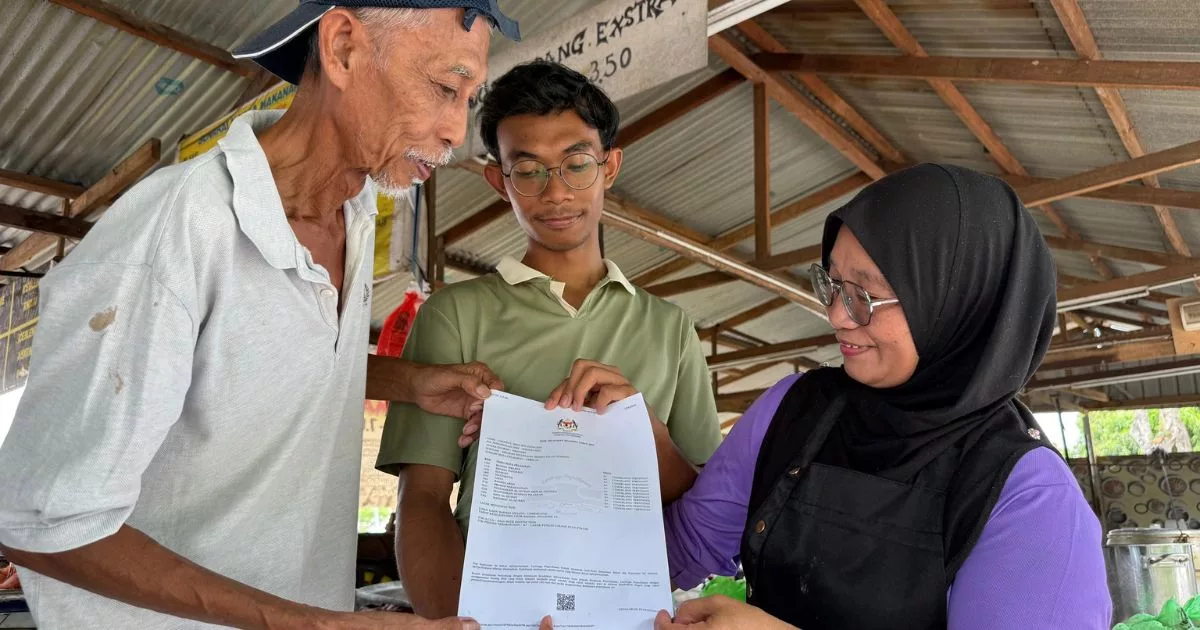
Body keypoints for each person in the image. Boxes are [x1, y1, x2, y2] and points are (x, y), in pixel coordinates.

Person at [0, 2, 520, 629]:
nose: (455, 131)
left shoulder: (353, 215)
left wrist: (406, 383)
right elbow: (38, 522)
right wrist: (312, 623)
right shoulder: (179, 231)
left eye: (468, 99)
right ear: (343, 48)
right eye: (444, 88)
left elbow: (259, 359)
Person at [648, 163, 1111, 629]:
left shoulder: (1028, 496)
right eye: (831, 284)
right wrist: (624, 444)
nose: (837, 315)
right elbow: (685, 552)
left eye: (864, 296)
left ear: (956, 305)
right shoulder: (793, 410)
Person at [376, 59, 722, 619]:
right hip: (493, 612)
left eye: (576, 164)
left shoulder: (670, 328)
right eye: (528, 169)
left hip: (633, 616)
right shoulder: (454, 317)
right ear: (499, 180)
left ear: (610, 166)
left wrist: (645, 432)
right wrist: (463, 623)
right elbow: (423, 501)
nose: (556, 192)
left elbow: (705, 507)